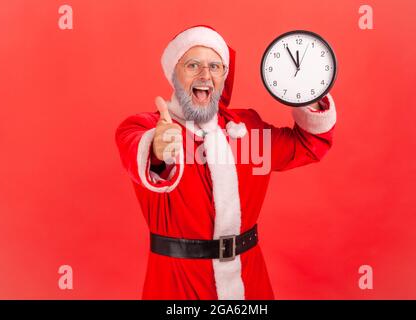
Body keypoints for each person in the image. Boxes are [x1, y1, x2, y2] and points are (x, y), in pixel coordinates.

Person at [115, 25, 337, 300]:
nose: (205, 75)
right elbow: (138, 151)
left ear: (223, 76)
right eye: (193, 65)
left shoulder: (248, 128)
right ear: (173, 74)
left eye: (215, 66)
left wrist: (308, 94)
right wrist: (159, 150)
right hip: (177, 284)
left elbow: (308, 145)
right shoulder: (142, 127)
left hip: (249, 280)